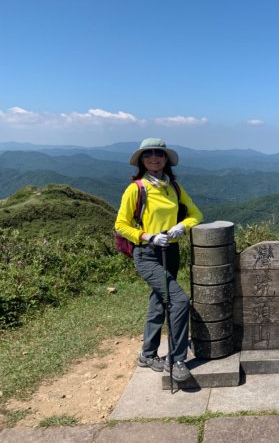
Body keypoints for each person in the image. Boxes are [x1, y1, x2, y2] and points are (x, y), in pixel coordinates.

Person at [115, 138, 203, 382]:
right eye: (148, 154)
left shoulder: (173, 187)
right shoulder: (137, 188)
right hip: (147, 254)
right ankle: (176, 361)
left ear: (166, 159)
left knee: (159, 301)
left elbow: (196, 214)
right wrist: (147, 236)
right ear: (142, 160)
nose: (154, 157)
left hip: (171, 252)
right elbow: (120, 224)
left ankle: (148, 354)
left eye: (159, 154)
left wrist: (181, 227)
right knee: (179, 299)